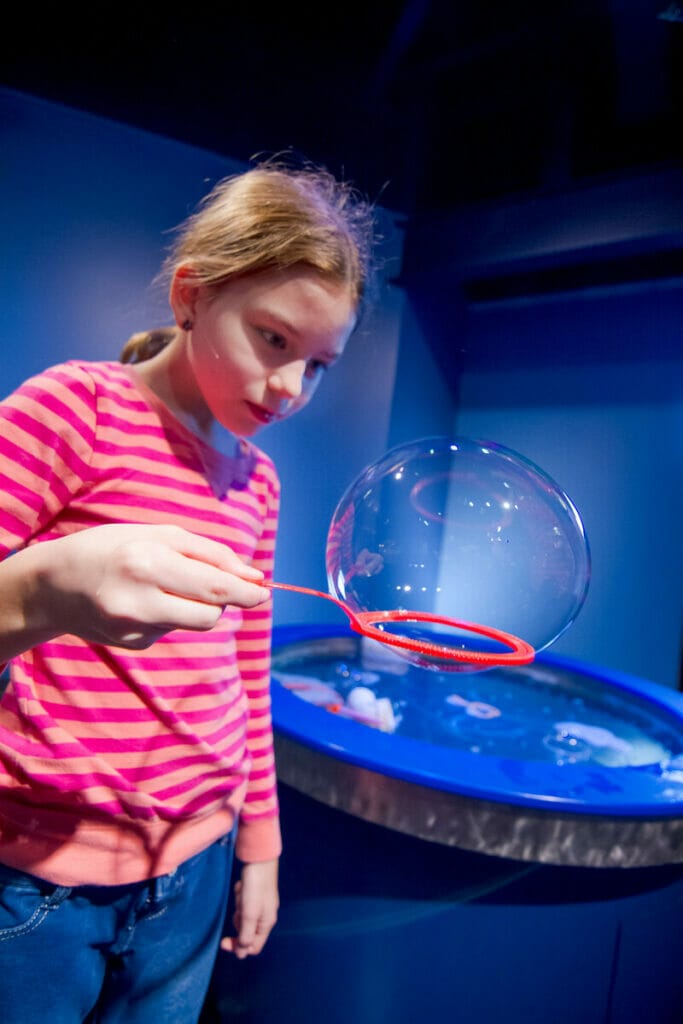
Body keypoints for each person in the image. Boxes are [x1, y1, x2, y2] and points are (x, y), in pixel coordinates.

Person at [0, 161, 375, 1023]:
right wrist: (46, 590)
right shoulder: (75, 411)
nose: (290, 389)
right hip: (40, 879)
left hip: (195, 871)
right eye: (273, 339)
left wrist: (261, 847)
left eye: (318, 365)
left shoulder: (260, 482)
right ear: (191, 295)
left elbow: (244, 678)